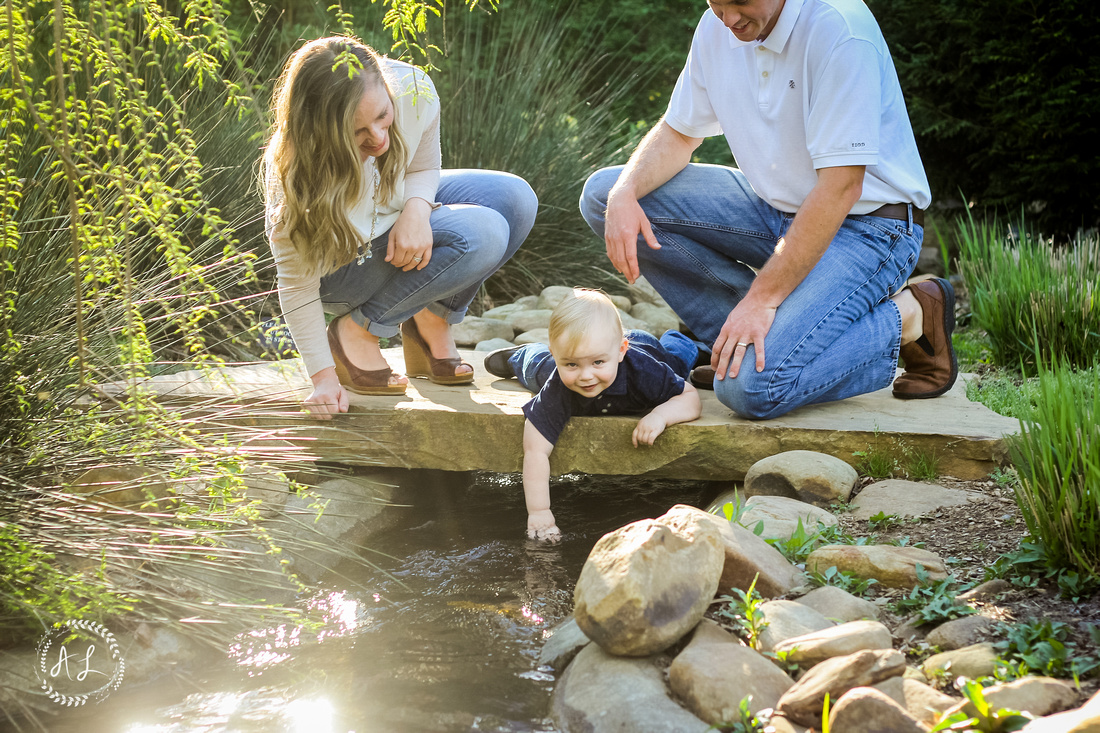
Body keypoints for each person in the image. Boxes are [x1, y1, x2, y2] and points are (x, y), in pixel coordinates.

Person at [579, 0, 955, 421]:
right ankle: (744, 339)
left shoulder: (840, 28)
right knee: (605, 194)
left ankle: (911, 315)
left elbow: (841, 186)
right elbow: (678, 133)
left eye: (739, 2)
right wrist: (625, 191)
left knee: (751, 388)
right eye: (716, 4)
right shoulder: (715, 27)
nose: (729, 19)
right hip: (772, 209)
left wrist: (762, 297)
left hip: (870, 228)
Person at [263, 37, 538, 418]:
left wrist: (416, 211)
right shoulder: (294, 175)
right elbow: (297, 289)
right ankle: (358, 330)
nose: (377, 139)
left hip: (395, 210)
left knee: (514, 198)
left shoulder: (413, 89)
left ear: (387, 87)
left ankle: (431, 320)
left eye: (382, 116)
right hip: (345, 272)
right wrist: (323, 377)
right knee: (484, 232)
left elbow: (424, 167)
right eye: (357, 133)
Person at [484, 289, 702, 540]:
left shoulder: (645, 371)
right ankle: (522, 354)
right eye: (572, 364)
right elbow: (535, 450)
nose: (586, 375)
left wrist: (661, 415)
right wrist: (539, 512)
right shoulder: (561, 380)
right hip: (571, 357)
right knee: (538, 372)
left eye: (597, 363)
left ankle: (684, 340)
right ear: (557, 355)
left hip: (647, 348)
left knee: (678, 363)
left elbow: (690, 397)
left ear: (621, 351)